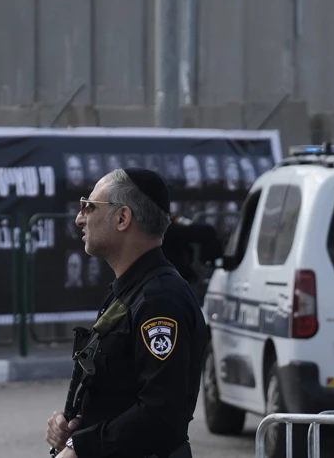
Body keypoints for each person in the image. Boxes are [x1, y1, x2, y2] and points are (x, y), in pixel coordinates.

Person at [47, 168, 206, 458]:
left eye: (89, 207)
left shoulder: (161, 300)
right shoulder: (129, 291)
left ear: (122, 218)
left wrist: (82, 446)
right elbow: (120, 394)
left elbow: (161, 415)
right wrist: (76, 427)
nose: (79, 218)